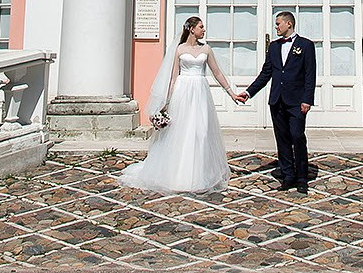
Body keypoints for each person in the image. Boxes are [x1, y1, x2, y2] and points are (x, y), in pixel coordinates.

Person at [118, 16, 236, 195]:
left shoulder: (206, 49)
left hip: (200, 92)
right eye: (201, 27)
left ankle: (200, 172)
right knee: (181, 131)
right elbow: (173, 77)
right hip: (183, 91)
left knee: (201, 131)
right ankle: (178, 174)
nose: (204, 30)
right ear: (191, 29)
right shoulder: (180, 49)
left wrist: (231, 92)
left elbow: (217, 73)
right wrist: (166, 101)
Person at [236, 11, 316, 193]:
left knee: (297, 136)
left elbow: (310, 75)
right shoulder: (273, 47)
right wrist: (249, 93)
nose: (276, 27)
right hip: (277, 99)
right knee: (282, 139)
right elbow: (266, 73)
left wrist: (307, 99)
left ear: (289, 24)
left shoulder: (306, 45)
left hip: (297, 101)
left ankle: (302, 176)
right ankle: (288, 175)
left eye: (278, 23)